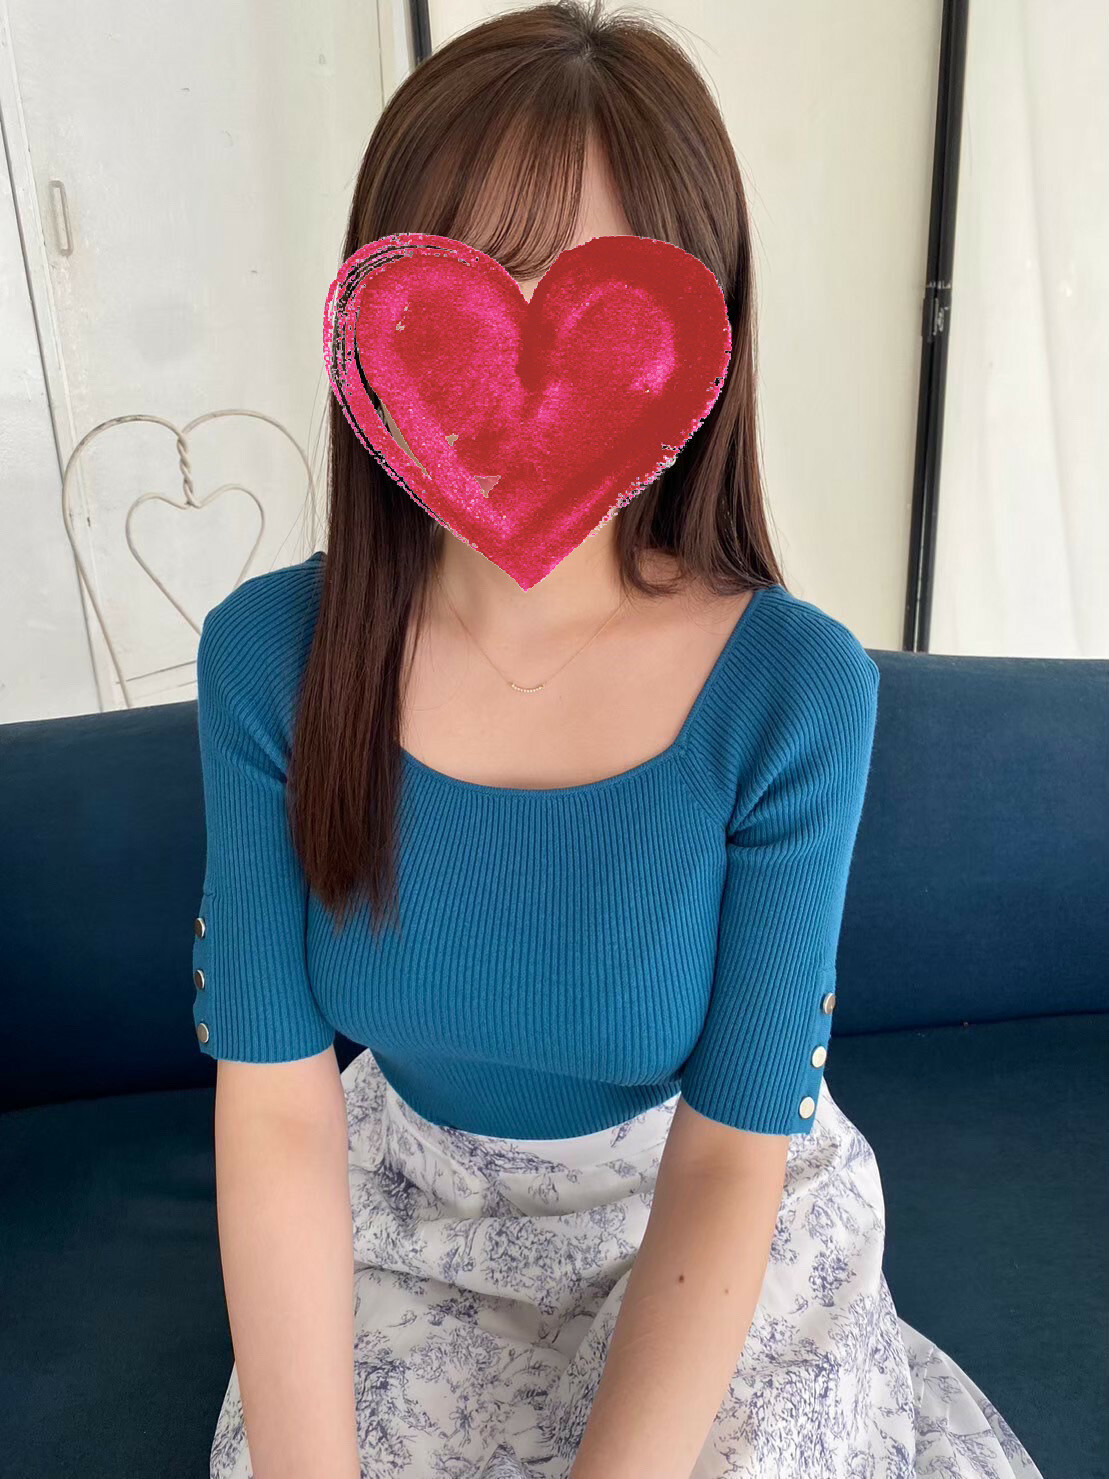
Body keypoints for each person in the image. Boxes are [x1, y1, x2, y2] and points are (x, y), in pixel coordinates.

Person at [190, 3, 1044, 1476]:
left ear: (699, 332)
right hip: (403, 1215)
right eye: (469, 284)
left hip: (703, 1218)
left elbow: (731, 1151)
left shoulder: (794, 691)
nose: (519, 359)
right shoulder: (273, 659)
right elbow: (273, 1110)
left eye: (588, 293)